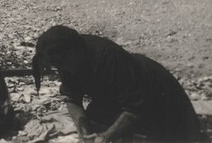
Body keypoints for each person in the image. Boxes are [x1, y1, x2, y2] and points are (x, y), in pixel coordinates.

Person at [32, 25, 202, 142]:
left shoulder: (108, 57)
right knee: (93, 119)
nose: (61, 69)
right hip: (120, 95)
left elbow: (135, 108)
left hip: (160, 98)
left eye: (60, 63)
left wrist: (106, 137)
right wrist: (85, 133)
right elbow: (72, 99)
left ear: (72, 52)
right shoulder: (67, 61)